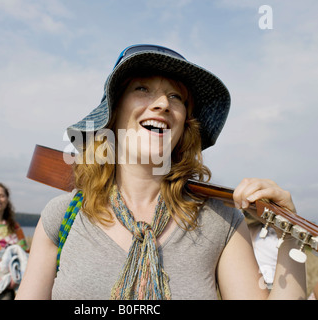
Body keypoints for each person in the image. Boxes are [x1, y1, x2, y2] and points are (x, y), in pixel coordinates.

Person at [16, 44, 306, 300]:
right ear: (112, 114)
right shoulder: (63, 215)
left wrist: (292, 235)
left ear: (185, 126)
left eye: (176, 97)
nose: (163, 104)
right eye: (142, 88)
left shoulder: (221, 220)